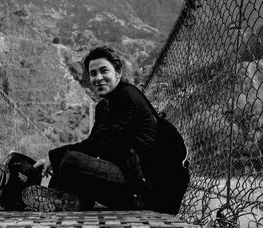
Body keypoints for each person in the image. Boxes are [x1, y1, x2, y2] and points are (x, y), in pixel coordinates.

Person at [21, 46, 187, 213]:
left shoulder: (127, 97)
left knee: (70, 161)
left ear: (118, 72)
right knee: (67, 163)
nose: (98, 78)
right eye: (93, 74)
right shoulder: (104, 106)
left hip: (149, 192)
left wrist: (54, 156)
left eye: (104, 71)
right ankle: (71, 199)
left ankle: (71, 198)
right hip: (131, 179)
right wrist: (56, 159)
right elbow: (93, 146)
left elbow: (99, 145)